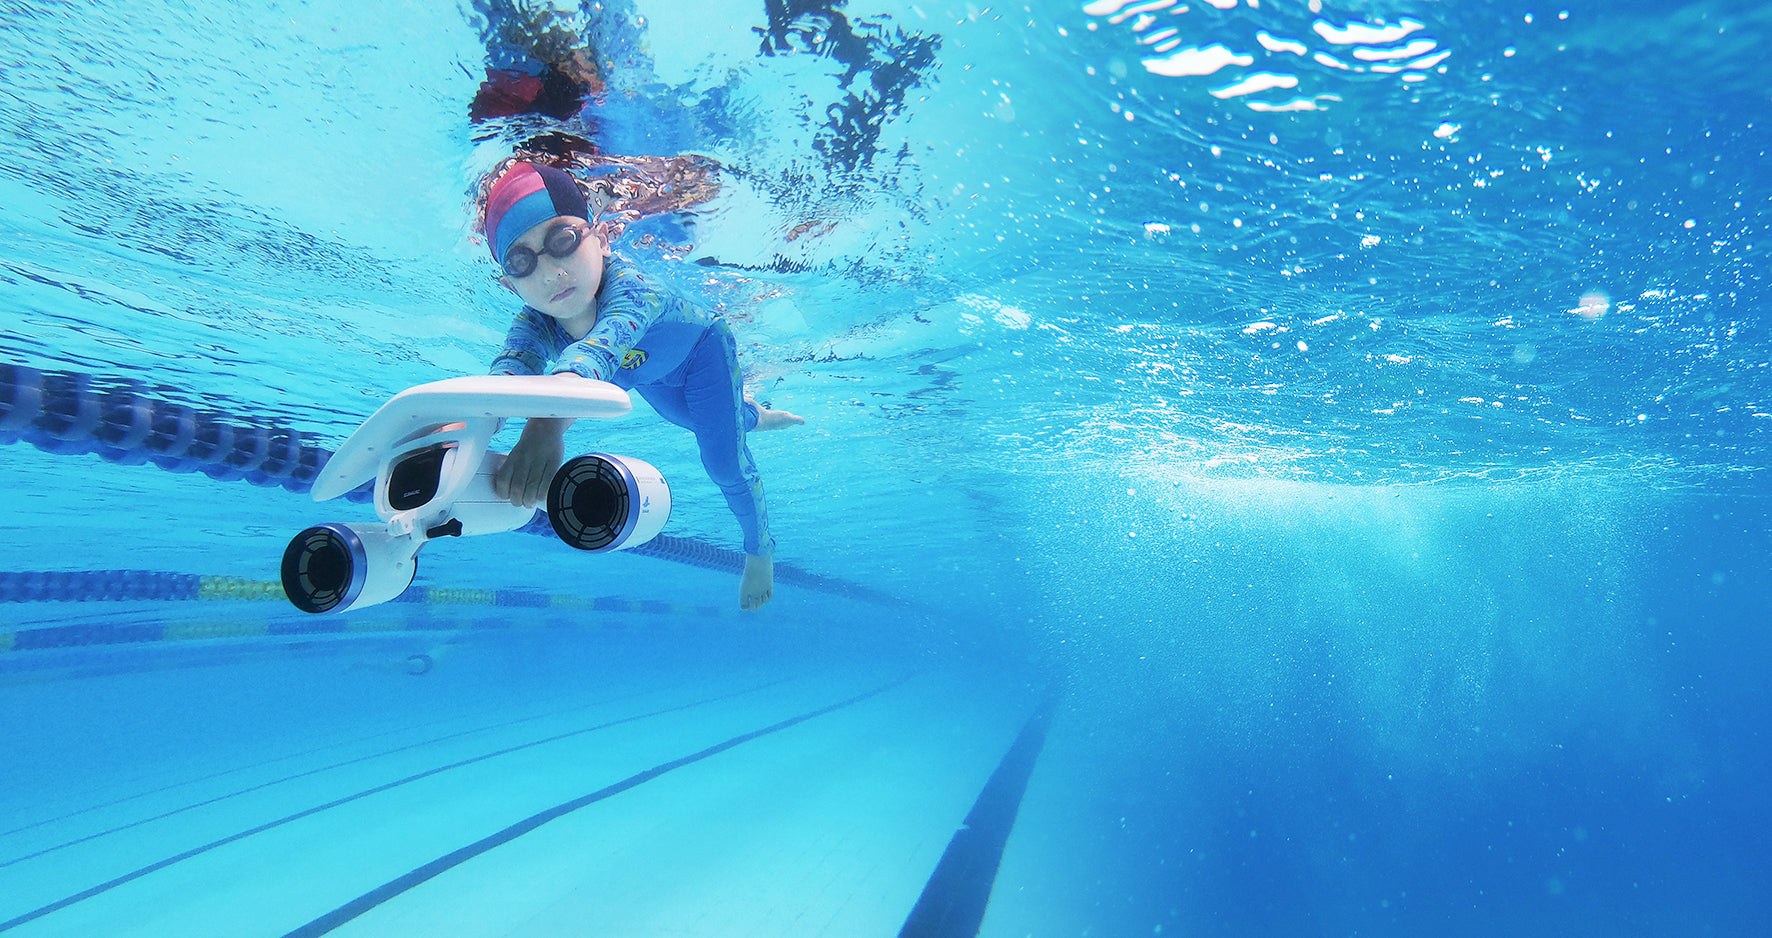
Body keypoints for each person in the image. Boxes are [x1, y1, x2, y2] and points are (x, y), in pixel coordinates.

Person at [479, 160, 803, 611]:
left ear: (602, 238)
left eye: (562, 240)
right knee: (703, 421)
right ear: (510, 284)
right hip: (647, 376)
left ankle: (760, 550)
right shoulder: (535, 320)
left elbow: (600, 350)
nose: (551, 272)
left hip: (701, 355)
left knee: (723, 462)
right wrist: (472, 422)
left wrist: (545, 427)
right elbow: (513, 364)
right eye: (522, 260)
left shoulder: (632, 290)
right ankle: (752, 415)